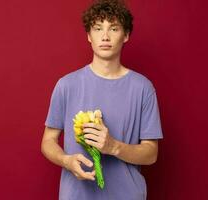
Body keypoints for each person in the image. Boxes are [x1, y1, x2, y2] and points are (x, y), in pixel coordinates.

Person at [41, 0, 163, 199]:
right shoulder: (66, 85)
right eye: (98, 28)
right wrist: (66, 160)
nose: (105, 36)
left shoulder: (143, 88)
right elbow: (48, 141)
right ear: (89, 36)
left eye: (113, 28)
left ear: (126, 35)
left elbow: (151, 153)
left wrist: (113, 146)